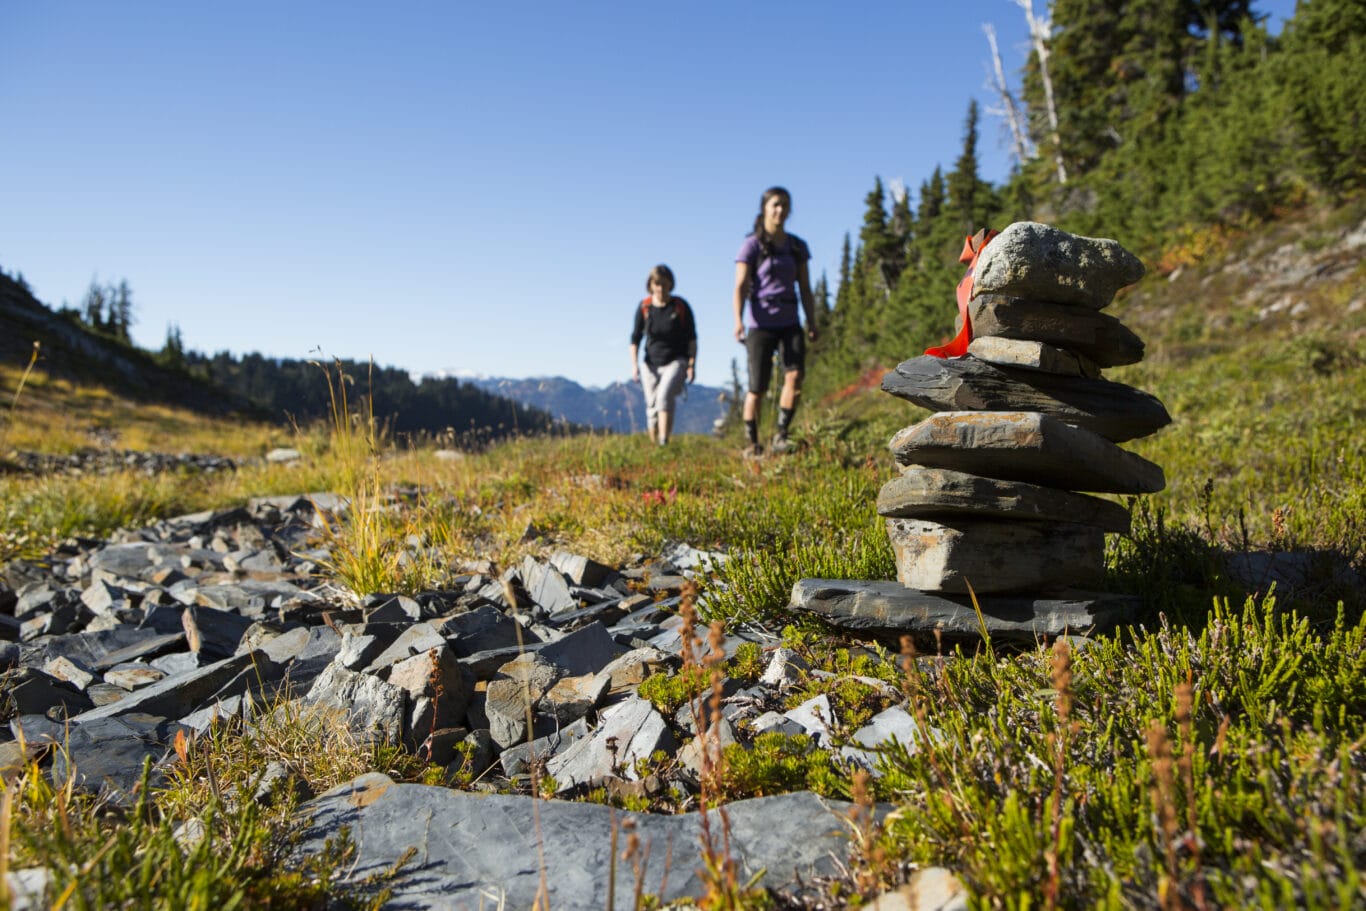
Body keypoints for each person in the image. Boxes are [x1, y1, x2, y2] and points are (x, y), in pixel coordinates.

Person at [733, 186, 818, 456]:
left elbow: (805, 287)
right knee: (757, 387)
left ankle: (781, 434)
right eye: (775, 205)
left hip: (790, 319)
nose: (780, 210)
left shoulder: (796, 247)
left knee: (795, 375)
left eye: (784, 205)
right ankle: (753, 442)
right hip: (760, 323)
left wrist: (812, 321)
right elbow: (740, 286)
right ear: (765, 209)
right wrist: (738, 321)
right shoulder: (752, 245)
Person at [630, 264, 697, 446]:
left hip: (676, 361)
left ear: (670, 285)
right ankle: (654, 446)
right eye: (657, 284)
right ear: (651, 285)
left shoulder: (680, 307)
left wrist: (691, 364)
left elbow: (692, 338)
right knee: (651, 405)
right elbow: (635, 338)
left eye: (664, 284)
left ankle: (663, 441)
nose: (660, 288)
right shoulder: (645, 307)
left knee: (664, 396)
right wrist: (634, 364)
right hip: (650, 363)